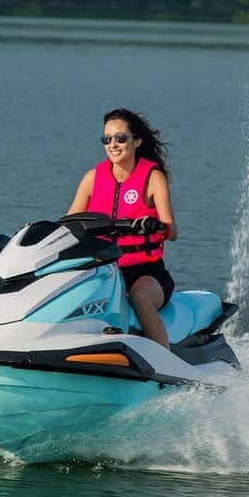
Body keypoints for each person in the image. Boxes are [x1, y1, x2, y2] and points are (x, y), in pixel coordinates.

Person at [68, 108, 177, 348]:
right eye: (107, 139)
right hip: (103, 270)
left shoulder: (153, 178)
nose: (113, 144)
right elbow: (68, 224)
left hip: (146, 273)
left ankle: (163, 359)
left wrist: (155, 226)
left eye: (120, 138)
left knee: (139, 294)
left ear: (136, 141)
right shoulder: (92, 178)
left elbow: (172, 231)